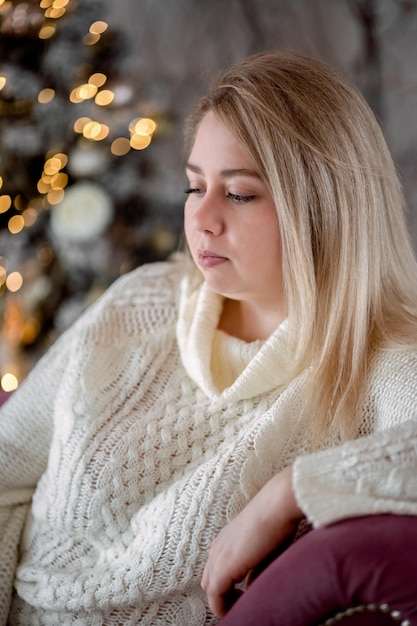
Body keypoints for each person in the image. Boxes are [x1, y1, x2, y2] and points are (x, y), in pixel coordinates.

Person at [1, 50, 417, 626]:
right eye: (196, 188)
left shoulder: (377, 362)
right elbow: (6, 468)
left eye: (239, 193)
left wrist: (291, 491)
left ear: (324, 209)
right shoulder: (141, 301)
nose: (203, 219)